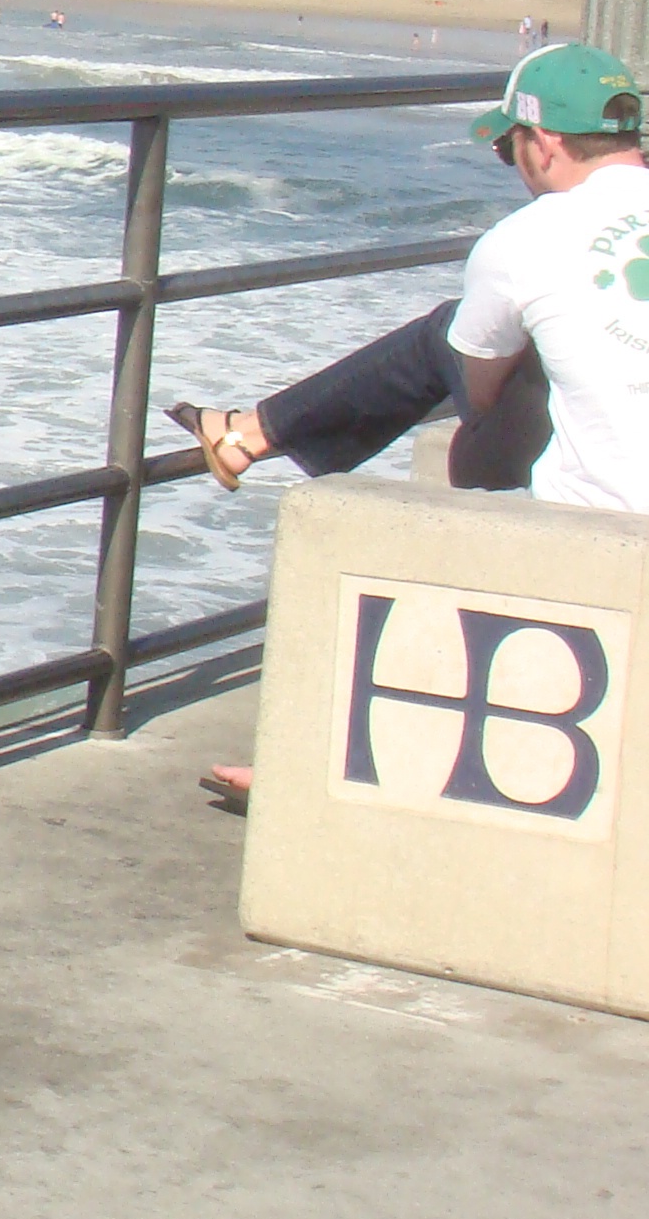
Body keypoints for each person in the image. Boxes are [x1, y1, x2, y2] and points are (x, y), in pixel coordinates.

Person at [170, 40, 649, 804]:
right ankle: (249, 431)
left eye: (508, 151)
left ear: (545, 143)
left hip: (606, 538)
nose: (516, 167)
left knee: (451, 345)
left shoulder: (530, 237)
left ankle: (248, 435)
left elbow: (479, 390)